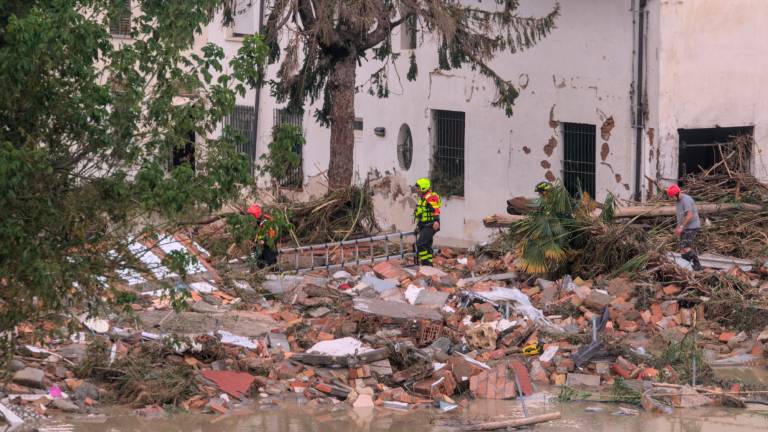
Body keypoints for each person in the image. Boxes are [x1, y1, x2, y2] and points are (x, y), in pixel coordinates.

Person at [667, 184, 703, 271]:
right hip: (685, 227)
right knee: (682, 248)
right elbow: (681, 217)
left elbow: (689, 215)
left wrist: (682, 226)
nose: (671, 199)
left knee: (685, 246)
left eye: (672, 197)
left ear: (677, 194)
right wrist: (678, 227)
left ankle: (697, 265)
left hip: (692, 226)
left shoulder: (685, 200)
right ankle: (685, 265)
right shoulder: (678, 202)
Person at [413, 178, 442, 266]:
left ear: (423, 188)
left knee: (420, 244)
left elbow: (435, 210)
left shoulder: (430, 198)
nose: (417, 190)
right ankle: (429, 265)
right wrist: (418, 226)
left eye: (418, 188)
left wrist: (436, 221)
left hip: (430, 225)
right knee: (427, 245)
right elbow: (422, 215)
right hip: (425, 225)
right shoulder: (423, 198)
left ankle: (426, 264)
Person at [247, 204, 278, 268]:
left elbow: (272, 235)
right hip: (258, 246)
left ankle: (274, 271)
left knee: (270, 262)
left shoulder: (266, 221)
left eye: (251, 215)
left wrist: (263, 241)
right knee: (259, 263)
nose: (250, 217)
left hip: (268, 245)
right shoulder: (255, 222)